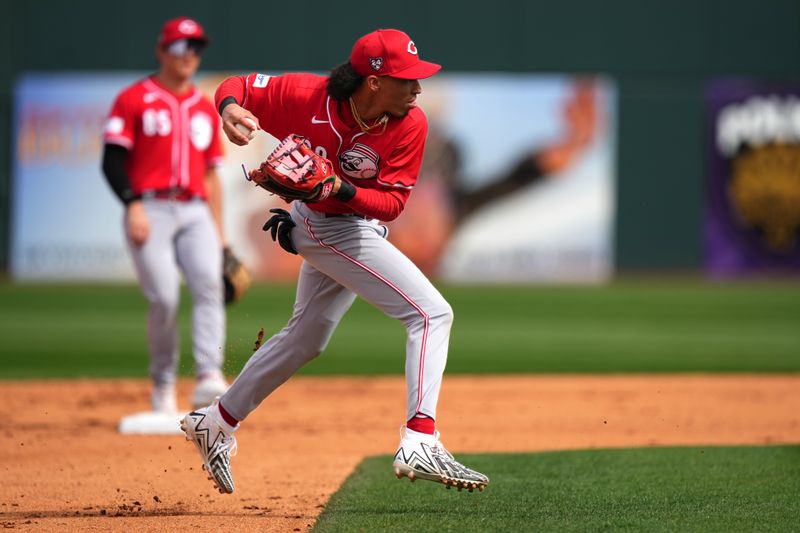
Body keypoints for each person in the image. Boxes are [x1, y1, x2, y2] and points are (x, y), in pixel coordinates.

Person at [181, 28, 489, 494]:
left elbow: (391, 206)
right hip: (325, 225)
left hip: (352, 221)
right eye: (407, 79)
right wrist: (230, 109)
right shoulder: (306, 95)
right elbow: (238, 87)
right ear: (373, 81)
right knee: (431, 313)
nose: (417, 88)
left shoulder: (410, 123)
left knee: (306, 338)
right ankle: (420, 438)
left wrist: (339, 190)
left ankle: (216, 422)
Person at [101, 17, 229, 413]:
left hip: (194, 210)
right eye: (180, 46)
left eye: (195, 47)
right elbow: (112, 160)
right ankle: (164, 383)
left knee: (210, 284)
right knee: (166, 298)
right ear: (161, 50)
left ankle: (208, 375)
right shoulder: (134, 98)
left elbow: (211, 176)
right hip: (150, 208)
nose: (189, 54)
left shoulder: (204, 108)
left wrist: (221, 234)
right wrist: (132, 204)